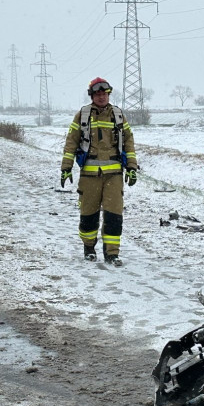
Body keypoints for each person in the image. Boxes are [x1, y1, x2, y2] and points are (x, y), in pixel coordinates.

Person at [60, 77, 138, 266]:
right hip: (89, 176)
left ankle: (112, 253)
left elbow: (128, 141)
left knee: (114, 216)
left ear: (108, 94)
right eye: (97, 94)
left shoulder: (118, 115)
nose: (101, 97)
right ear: (92, 95)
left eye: (104, 93)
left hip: (114, 176)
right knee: (88, 215)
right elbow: (71, 142)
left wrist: (132, 167)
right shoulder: (83, 115)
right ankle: (89, 248)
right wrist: (66, 168)